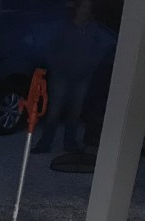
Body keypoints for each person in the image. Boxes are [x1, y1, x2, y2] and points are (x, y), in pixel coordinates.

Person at [32, 0, 108, 155]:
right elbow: (51, 48)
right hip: (61, 75)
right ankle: (44, 143)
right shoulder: (64, 27)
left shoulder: (94, 29)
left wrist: (92, 64)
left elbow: (100, 50)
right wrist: (56, 67)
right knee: (54, 111)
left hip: (82, 77)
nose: (86, 11)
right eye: (83, 7)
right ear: (77, 9)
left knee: (75, 111)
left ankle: (70, 143)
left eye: (89, 8)